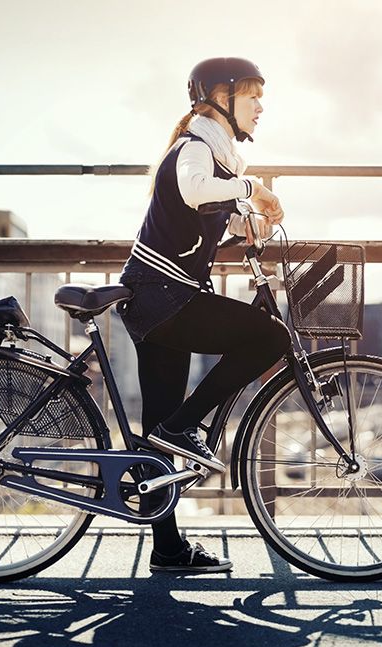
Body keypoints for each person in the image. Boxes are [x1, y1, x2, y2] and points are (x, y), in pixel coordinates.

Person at [119, 57, 291, 573]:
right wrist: (253, 188)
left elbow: (210, 212)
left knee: (157, 428)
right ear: (220, 97)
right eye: (252, 95)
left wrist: (249, 225)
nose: (261, 106)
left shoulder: (219, 158)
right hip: (163, 298)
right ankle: (186, 425)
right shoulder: (194, 149)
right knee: (269, 338)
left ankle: (168, 549)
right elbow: (196, 190)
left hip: (159, 298)